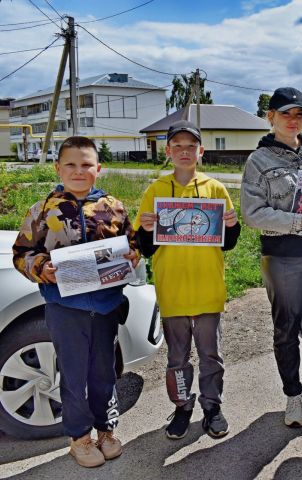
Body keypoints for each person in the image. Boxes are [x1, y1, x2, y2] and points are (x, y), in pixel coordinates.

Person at [13, 136, 140, 468]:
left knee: (104, 371)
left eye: (86, 164)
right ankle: (79, 437)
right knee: (73, 374)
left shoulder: (113, 207)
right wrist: (42, 268)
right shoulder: (43, 210)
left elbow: (132, 245)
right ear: (58, 168)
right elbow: (22, 253)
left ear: (99, 168)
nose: (78, 171)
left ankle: (106, 430)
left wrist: (133, 257)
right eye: (70, 164)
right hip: (64, 308)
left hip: (106, 307)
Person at [240, 87, 302, 427]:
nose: (293, 120)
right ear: (270, 117)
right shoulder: (259, 161)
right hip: (282, 256)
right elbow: (253, 214)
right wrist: (297, 220)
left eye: (299, 114)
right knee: (285, 330)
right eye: (286, 114)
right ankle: (292, 396)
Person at [135, 120, 241, 440]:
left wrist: (233, 225)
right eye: (177, 146)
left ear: (201, 151)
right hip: (173, 290)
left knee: (211, 355)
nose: (184, 151)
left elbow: (228, 241)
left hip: (208, 288)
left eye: (190, 146)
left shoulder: (215, 189)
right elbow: (144, 247)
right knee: (177, 357)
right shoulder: (156, 190)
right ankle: (182, 406)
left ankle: (212, 406)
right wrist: (146, 229)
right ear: (167, 151)